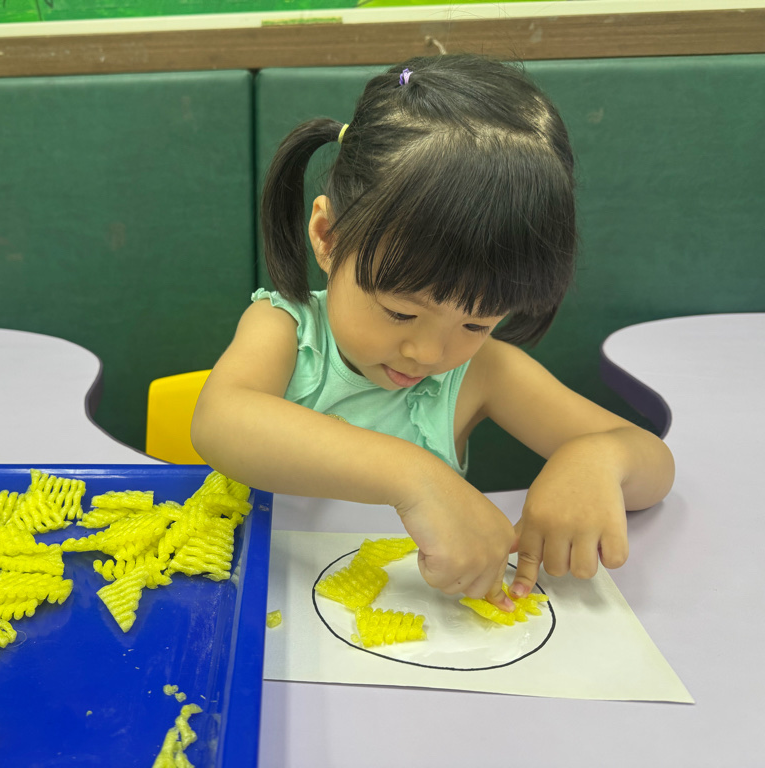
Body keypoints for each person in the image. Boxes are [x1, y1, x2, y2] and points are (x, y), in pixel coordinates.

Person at [190, 54, 674, 612]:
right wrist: (413, 477)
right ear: (327, 235)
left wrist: (598, 461)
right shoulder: (284, 328)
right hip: (256, 612)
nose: (427, 353)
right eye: (400, 312)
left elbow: (654, 466)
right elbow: (220, 421)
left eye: (476, 323)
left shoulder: (484, 372)